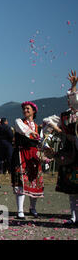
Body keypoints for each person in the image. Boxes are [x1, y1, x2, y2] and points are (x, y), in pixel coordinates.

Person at [11, 101, 44, 220]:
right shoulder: (19, 122)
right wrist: (33, 133)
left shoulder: (38, 127)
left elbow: (40, 141)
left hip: (34, 155)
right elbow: (24, 130)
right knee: (21, 181)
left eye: (28, 109)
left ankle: (32, 208)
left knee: (33, 181)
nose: (25, 110)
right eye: (24, 109)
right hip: (22, 153)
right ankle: (20, 210)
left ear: (34, 111)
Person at [54, 70, 78, 226]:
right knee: (72, 187)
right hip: (71, 153)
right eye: (68, 100)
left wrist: (74, 86)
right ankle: (74, 216)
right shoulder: (64, 116)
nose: (70, 102)